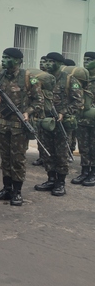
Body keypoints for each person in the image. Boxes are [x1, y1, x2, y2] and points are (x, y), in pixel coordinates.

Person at [0, 48, 43, 206]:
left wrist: (28, 112)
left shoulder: (27, 78)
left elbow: (38, 101)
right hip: (2, 126)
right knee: (5, 159)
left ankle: (17, 192)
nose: (4, 60)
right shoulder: (0, 76)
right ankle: (6, 188)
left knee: (18, 160)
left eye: (8, 58)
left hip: (19, 127)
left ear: (18, 61)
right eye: (3, 57)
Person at [34, 52, 83, 196]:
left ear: (59, 64)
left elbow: (78, 102)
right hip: (44, 121)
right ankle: (50, 179)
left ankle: (60, 182)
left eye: (51, 62)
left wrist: (64, 112)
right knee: (46, 152)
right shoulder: (39, 79)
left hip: (61, 123)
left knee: (61, 154)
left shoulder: (69, 80)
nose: (47, 64)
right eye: (46, 61)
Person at [72, 52, 95, 186]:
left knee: (94, 147)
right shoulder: (81, 78)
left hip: (93, 119)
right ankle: (85, 171)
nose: (86, 62)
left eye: (90, 60)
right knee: (83, 147)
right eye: (85, 59)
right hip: (82, 119)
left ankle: (93, 173)